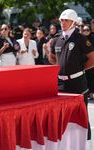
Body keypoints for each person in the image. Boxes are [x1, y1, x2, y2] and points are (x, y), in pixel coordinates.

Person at [49, 9, 94, 140]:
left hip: (77, 83)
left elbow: (92, 59)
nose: (62, 22)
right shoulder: (56, 39)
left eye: (66, 20)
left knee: (81, 115)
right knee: (61, 115)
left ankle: (83, 142)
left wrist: (79, 69)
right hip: (60, 84)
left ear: (73, 22)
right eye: (61, 20)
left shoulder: (81, 39)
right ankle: (64, 142)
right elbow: (52, 57)